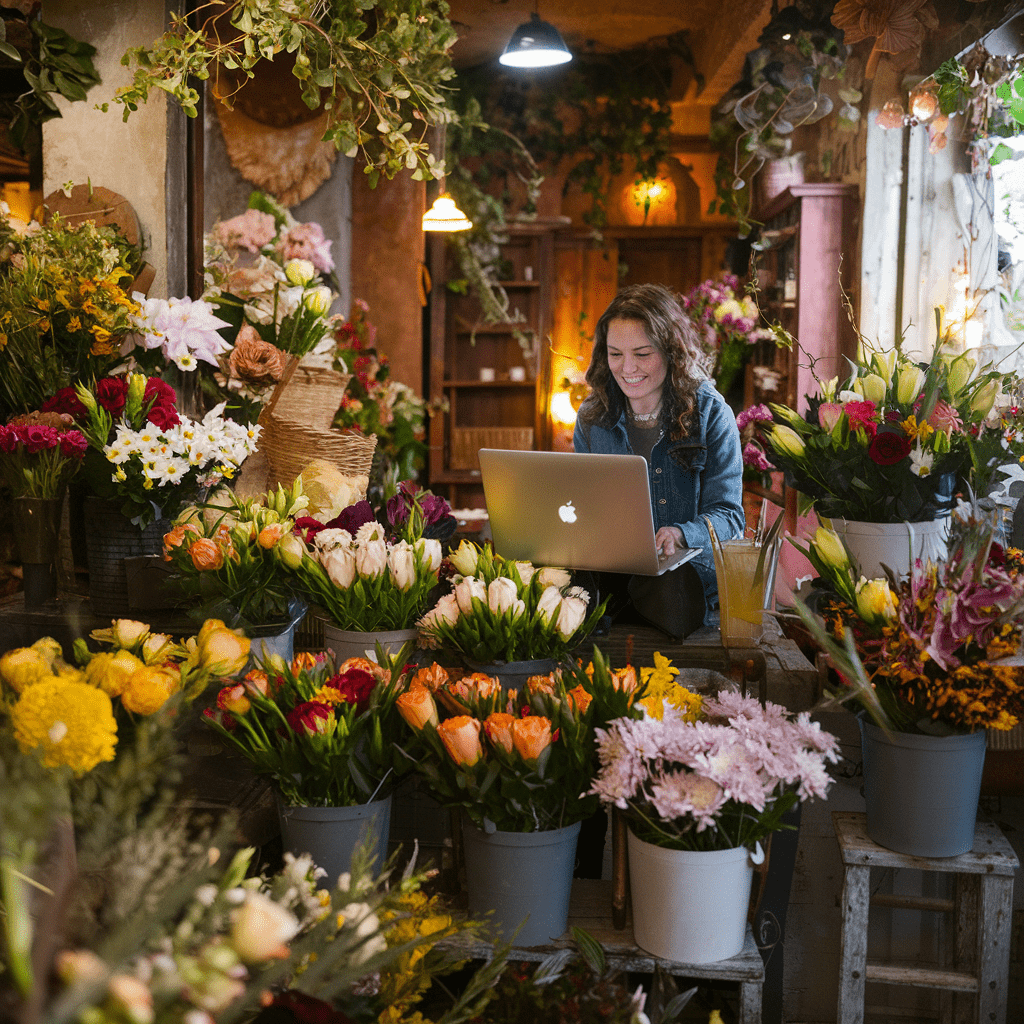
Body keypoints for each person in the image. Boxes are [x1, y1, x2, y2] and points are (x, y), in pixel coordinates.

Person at [572, 282, 745, 634]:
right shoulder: (592, 417)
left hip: (685, 586)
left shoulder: (711, 413)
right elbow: (580, 505)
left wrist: (682, 534)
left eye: (642, 353)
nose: (627, 367)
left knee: (669, 588)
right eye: (615, 353)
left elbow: (730, 517)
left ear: (671, 351)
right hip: (612, 580)